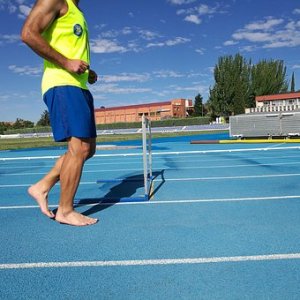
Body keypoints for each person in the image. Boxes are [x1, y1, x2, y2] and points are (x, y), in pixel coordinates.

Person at [21, 0, 98, 226]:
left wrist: (87, 71)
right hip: (63, 84)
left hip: (78, 85)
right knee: (79, 147)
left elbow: (71, 50)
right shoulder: (56, 1)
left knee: (88, 150)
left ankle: (42, 186)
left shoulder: (77, 10)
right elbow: (28, 33)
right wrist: (66, 63)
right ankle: (65, 210)